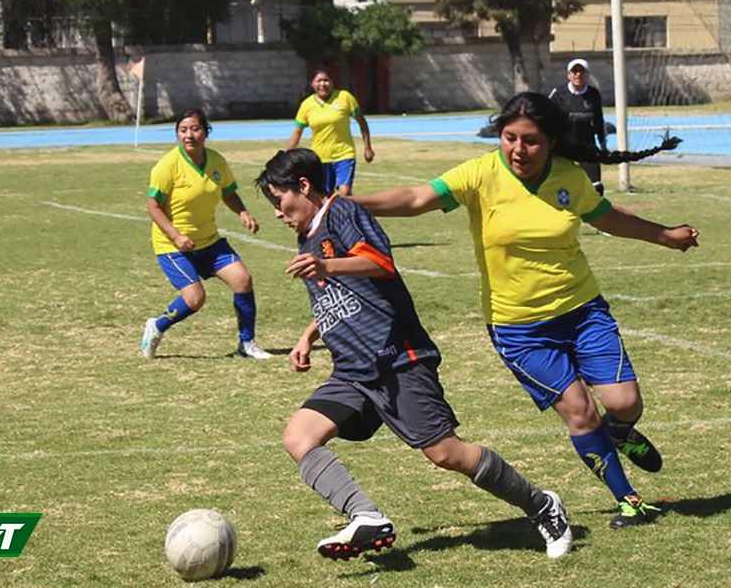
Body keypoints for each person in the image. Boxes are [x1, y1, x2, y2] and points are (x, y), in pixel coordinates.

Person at [353, 92, 699, 529]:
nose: (518, 149)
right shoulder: (481, 173)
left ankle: (617, 434)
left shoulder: (570, 178)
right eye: (509, 137)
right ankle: (628, 499)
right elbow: (418, 197)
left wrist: (665, 236)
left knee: (625, 402)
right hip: (519, 327)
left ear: (552, 141)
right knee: (580, 411)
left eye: (531, 141)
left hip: (582, 311)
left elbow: (607, 217)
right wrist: (350, 204)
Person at [255, 148, 572, 561]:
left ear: (304, 186)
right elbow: (340, 292)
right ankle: (366, 515)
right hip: (353, 370)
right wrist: (308, 335)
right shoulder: (310, 235)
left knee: (447, 454)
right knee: (299, 436)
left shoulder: (343, 212)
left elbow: (379, 262)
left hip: (396, 359)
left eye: (278, 200)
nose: (278, 212)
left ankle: (541, 505)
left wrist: (327, 267)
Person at [140, 108, 272, 360]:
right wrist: (176, 236)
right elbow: (153, 207)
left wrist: (243, 213)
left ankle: (247, 344)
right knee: (195, 299)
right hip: (173, 246)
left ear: (206, 132)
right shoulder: (167, 166)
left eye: (195, 129)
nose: (189, 135)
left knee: (243, 280)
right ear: (177, 133)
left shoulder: (216, 161)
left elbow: (228, 192)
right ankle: (157, 326)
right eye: (183, 130)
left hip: (209, 241)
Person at [286, 68, 374, 196]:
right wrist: (287, 154)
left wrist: (368, 148)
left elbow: (362, 122)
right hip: (320, 158)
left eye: (326, 80)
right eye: (319, 81)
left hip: (344, 154)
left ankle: (347, 214)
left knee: (344, 193)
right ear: (312, 84)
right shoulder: (306, 105)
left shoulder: (345, 97)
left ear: (332, 82)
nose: (322, 84)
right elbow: (297, 132)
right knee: (325, 196)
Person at [549, 58, 608, 195]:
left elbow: (599, 120)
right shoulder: (559, 93)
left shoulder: (593, 94)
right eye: (574, 71)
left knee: (596, 187)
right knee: (561, 184)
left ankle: (594, 215)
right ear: (568, 75)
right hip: (564, 147)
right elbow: (546, 116)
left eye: (582, 71)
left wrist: (603, 145)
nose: (578, 75)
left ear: (587, 75)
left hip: (587, 146)